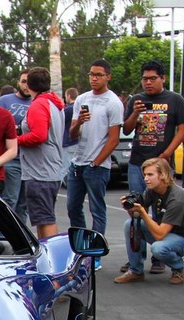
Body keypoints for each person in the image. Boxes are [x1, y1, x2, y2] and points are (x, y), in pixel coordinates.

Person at [122, 60, 184, 275]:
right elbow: (127, 128)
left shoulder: (174, 100)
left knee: (160, 210)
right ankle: (136, 258)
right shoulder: (136, 100)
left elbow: (183, 130)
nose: (148, 83)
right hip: (137, 162)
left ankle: (159, 257)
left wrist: (167, 154)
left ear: (163, 78)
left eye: (152, 79)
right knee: (136, 207)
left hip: (162, 163)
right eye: (145, 79)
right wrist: (135, 113)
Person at [113, 158, 184, 286]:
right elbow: (136, 216)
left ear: (163, 175)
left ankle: (178, 267)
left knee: (158, 248)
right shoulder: (152, 190)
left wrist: (142, 212)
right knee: (130, 224)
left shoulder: (177, 198)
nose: (146, 179)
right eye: (145, 175)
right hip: (164, 231)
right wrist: (130, 208)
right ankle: (135, 271)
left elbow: (160, 235)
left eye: (150, 175)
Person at [66, 58, 123, 248]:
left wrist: (96, 163)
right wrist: (79, 122)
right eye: (91, 74)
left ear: (108, 77)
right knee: (73, 207)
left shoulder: (113, 102)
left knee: (97, 209)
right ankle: (81, 248)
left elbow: (114, 139)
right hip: (77, 163)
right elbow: (72, 134)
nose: (94, 78)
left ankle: (95, 250)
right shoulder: (82, 99)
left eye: (99, 75)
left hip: (97, 166)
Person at [16, 67, 64, 239]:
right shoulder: (53, 103)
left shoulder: (38, 105)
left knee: (45, 219)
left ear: (28, 86)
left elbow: (39, 135)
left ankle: (51, 253)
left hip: (40, 171)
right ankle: (45, 250)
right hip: (49, 169)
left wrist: (16, 140)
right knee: (43, 218)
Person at [0, 69, 31, 222]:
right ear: (18, 83)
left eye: (30, 82)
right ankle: (5, 231)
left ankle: (21, 233)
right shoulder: (4, 101)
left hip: (30, 161)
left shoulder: (37, 102)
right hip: (11, 159)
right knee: (10, 200)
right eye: (23, 81)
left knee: (24, 205)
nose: (26, 85)